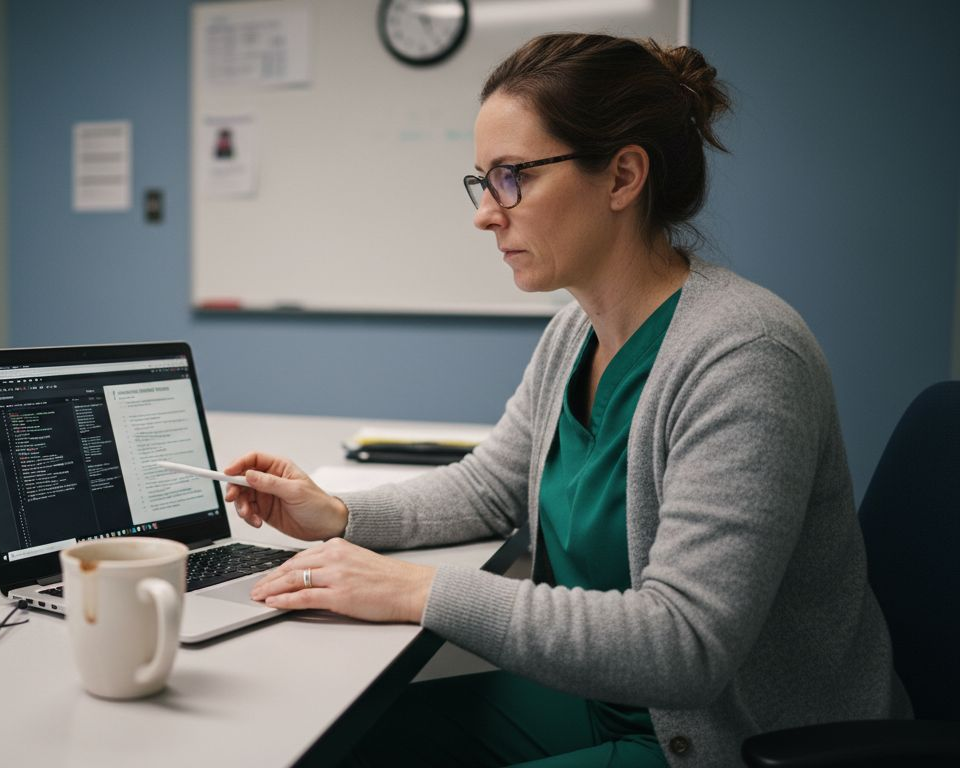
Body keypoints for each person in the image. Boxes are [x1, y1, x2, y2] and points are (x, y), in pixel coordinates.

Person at [223, 33, 910, 767]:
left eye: (512, 176)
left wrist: (415, 591)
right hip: (607, 706)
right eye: (482, 181)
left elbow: (684, 646)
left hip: (718, 741)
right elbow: (491, 489)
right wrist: (340, 515)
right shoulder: (574, 333)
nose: (487, 213)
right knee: (344, 747)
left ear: (621, 177)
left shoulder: (745, 356)